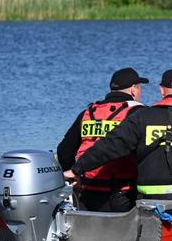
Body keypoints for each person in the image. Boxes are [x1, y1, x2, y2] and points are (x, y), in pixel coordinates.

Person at [64, 69, 172, 200]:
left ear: (161, 91)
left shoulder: (142, 117)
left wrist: (77, 169)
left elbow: (110, 145)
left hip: (147, 197)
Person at [57, 67, 148, 212]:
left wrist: (74, 174)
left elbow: (64, 152)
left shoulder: (88, 113)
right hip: (123, 194)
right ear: (133, 90)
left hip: (88, 191)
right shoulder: (138, 113)